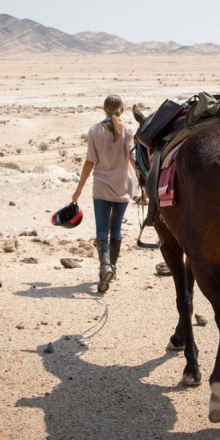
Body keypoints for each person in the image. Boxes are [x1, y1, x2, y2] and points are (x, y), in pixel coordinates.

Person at [72, 95, 137, 292]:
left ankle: (105, 267)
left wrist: (79, 189)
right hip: (123, 187)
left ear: (104, 109)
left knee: (102, 231)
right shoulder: (128, 130)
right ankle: (112, 269)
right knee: (115, 229)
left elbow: (89, 162)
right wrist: (146, 182)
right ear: (122, 109)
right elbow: (134, 158)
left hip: (101, 188)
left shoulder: (94, 130)